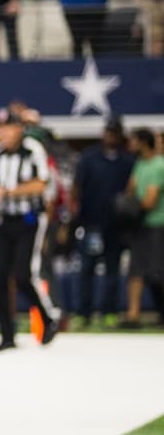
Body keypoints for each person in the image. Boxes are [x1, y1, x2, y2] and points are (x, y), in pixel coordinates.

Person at [0, 107, 61, 350]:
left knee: (23, 274)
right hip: (4, 221)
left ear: (19, 128)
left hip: (29, 220)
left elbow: (40, 184)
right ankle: (6, 334)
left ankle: (49, 317)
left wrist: (6, 191)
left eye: (7, 127)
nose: (2, 133)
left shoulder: (32, 150)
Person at [72, 118, 134, 328]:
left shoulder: (127, 161)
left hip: (116, 226)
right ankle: (84, 312)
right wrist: (74, 217)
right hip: (91, 223)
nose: (111, 136)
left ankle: (109, 311)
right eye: (108, 132)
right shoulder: (89, 158)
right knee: (86, 269)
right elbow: (77, 187)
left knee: (112, 271)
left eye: (115, 133)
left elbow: (131, 192)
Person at [124, 128, 164, 327]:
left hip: (158, 225)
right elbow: (130, 190)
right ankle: (133, 315)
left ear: (143, 142)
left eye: (133, 140)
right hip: (140, 225)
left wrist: (130, 206)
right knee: (136, 271)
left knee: (159, 273)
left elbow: (150, 200)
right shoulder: (139, 164)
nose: (130, 144)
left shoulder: (159, 165)